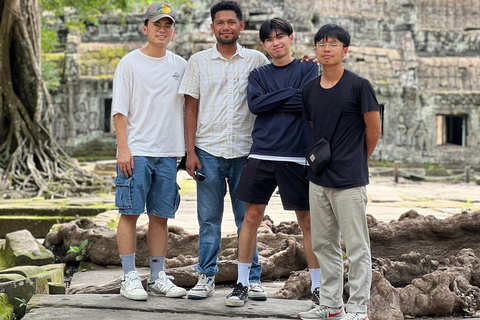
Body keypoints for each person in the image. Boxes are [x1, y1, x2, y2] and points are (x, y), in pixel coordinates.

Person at [178, 1, 270, 301]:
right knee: (208, 219)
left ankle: (252, 278)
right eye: (220, 22)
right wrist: (189, 152)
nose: (226, 27)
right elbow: (190, 109)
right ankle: (205, 276)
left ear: (241, 26)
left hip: (246, 152)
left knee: (248, 219)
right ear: (212, 27)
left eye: (232, 22)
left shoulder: (257, 60)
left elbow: (283, 74)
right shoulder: (198, 62)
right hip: (208, 152)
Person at [227, 17, 321, 308]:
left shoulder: (308, 68)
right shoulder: (258, 75)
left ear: (291, 38)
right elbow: (256, 106)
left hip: (297, 156)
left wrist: (273, 99)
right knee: (250, 219)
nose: (275, 42)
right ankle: (242, 283)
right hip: (262, 154)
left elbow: (306, 102)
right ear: (264, 45)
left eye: (280, 36)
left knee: (307, 222)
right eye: (269, 39)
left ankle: (318, 287)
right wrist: (288, 97)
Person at [297, 24, 381, 320]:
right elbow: (313, 130)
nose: (326, 48)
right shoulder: (309, 89)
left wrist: (355, 159)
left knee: (357, 246)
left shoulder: (359, 86)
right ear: (316, 49)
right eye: (321, 43)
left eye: (333, 44)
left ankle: (358, 308)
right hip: (318, 179)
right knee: (323, 244)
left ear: (345, 50)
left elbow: (374, 129)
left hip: (349, 181)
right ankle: (331, 305)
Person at [112, 2, 187, 301]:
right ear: (145, 28)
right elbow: (119, 111)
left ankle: (157, 277)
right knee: (129, 212)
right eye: (157, 24)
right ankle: (129, 276)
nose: (162, 29)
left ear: (173, 30)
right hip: (137, 150)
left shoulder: (181, 65)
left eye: (167, 25)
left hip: (169, 152)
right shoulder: (129, 63)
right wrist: (123, 148)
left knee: (160, 216)